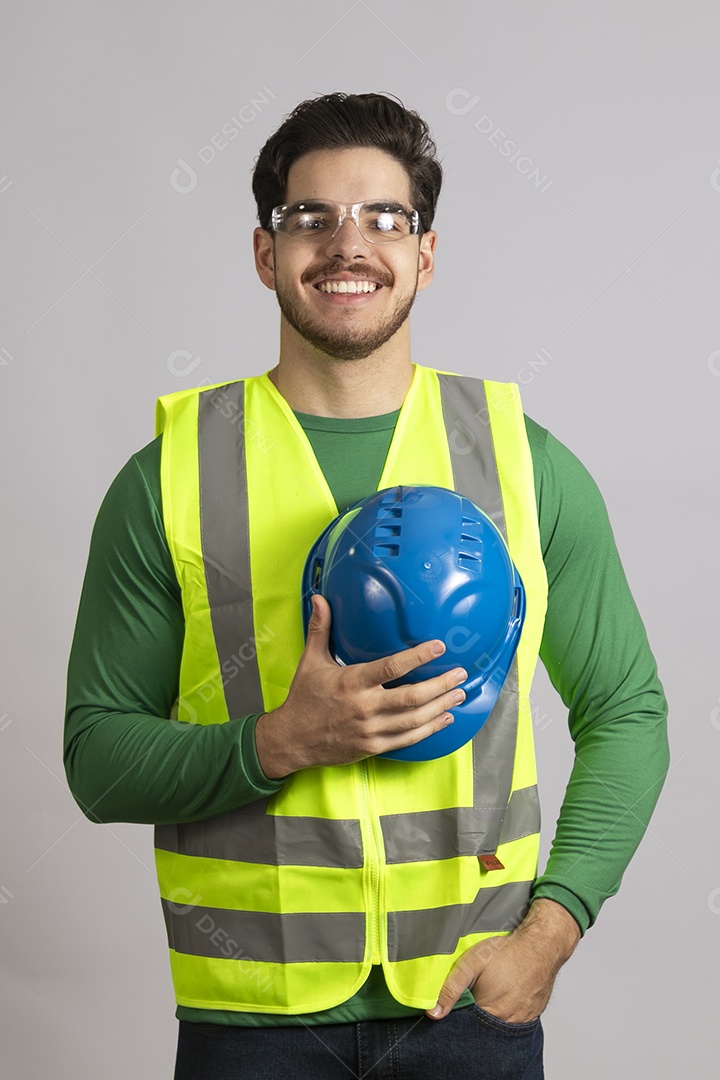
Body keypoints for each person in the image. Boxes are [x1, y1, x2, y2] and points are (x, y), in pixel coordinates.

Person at [64, 92, 669, 1079]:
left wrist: (551, 933)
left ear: (425, 254)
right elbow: (97, 753)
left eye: (386, 218)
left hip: (471, 1006)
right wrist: (278, 742)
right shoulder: (169, 474)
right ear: (266, 253)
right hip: (249, 1023)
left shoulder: (524, 461)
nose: (350, 245)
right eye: (312, 218)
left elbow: (628, 711)